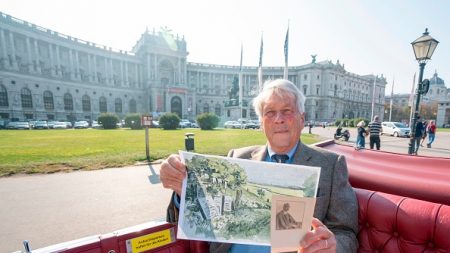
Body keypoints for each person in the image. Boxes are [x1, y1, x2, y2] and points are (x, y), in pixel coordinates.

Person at [160, 79, 358, 253]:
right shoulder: (237, 157)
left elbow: (347, 233)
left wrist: (332, 247)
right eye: (270, 113)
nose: (278, 119)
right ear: (262, 123)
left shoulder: (331, 165)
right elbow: (199, 215)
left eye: (287, 111)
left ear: (302, 118)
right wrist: (182, 189)